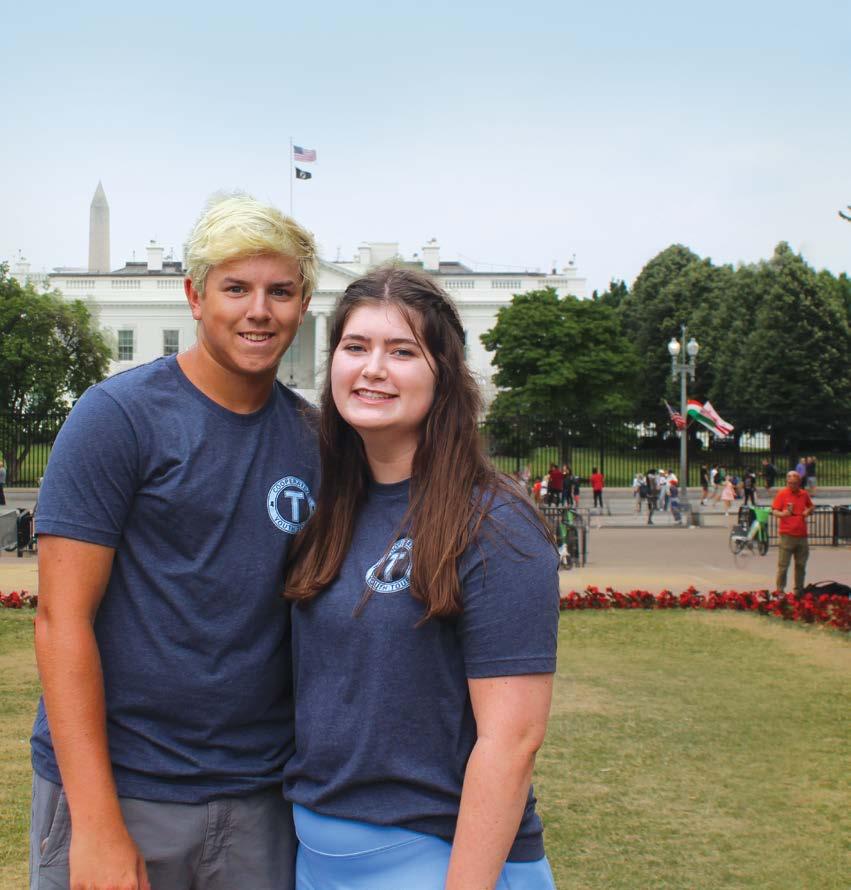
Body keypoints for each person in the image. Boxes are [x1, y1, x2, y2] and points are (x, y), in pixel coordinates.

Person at [30, 194, 319, 890]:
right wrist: (97, 825)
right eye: (236, 288)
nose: (259, 311)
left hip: (261, 796)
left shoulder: (316, 440)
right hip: (125, 787)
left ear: (304, 304)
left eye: (280, 292)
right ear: (194, 296)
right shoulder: (118, 417)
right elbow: (61, 621)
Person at [283, 268, 559, 890]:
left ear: (444, 374)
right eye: (356, 347)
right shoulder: (330, 507)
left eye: (402, 351)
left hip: (438, 859)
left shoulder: (494, 522)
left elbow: (512, 742)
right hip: (317, 859)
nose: (373, 368)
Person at [771, 470, 814, 595]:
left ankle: (799, 591)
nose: (792, 485)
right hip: (787, 535)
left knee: (801, 565)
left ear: (799, 483)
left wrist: (808, 511)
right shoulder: (782, 493)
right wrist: (782, 514)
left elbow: (811, 506)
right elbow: (774, 510)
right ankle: (780, 591)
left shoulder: (804, 494)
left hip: (802, 535)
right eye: (790, 483)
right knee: (783, 566)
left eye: (795, 483)